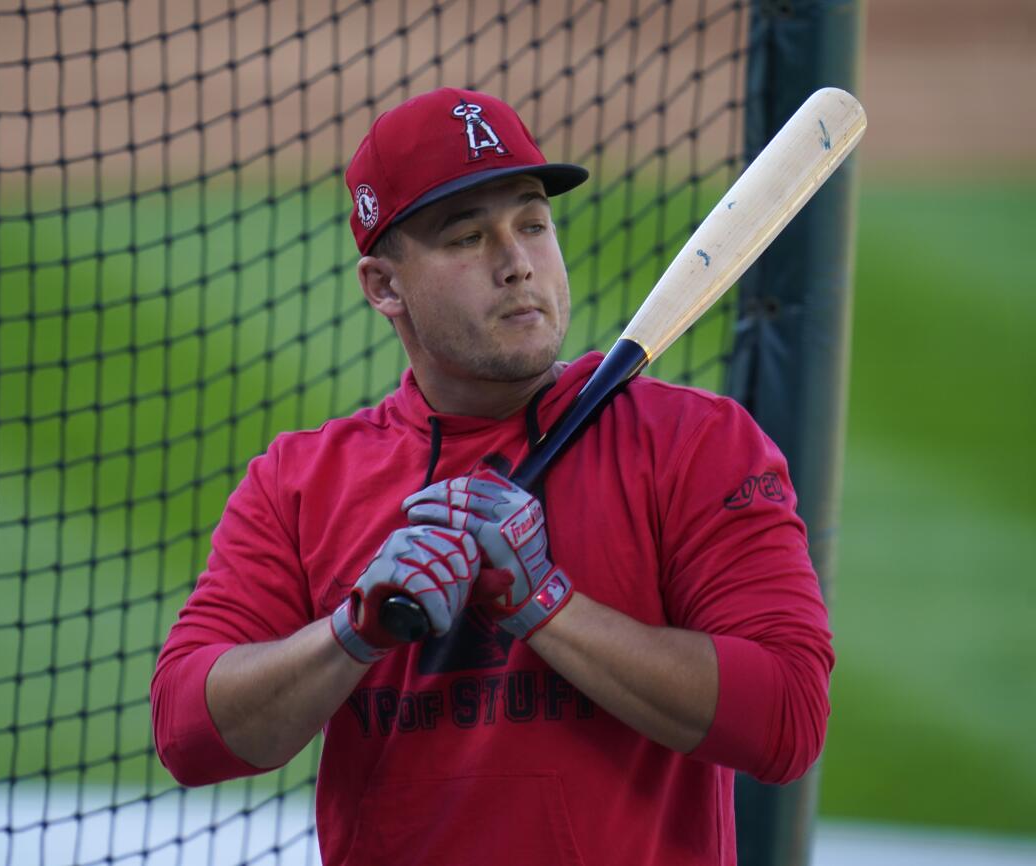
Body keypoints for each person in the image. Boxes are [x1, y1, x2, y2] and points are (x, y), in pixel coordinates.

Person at [151, 87, 834, 866]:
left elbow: (787, 720)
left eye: (532, 224)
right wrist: (353, 632)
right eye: (468, 237)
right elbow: (187, 733)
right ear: (383, 287)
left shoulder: (692, 444)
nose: (516, 265)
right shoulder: (304, 480)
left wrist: (546, 606)